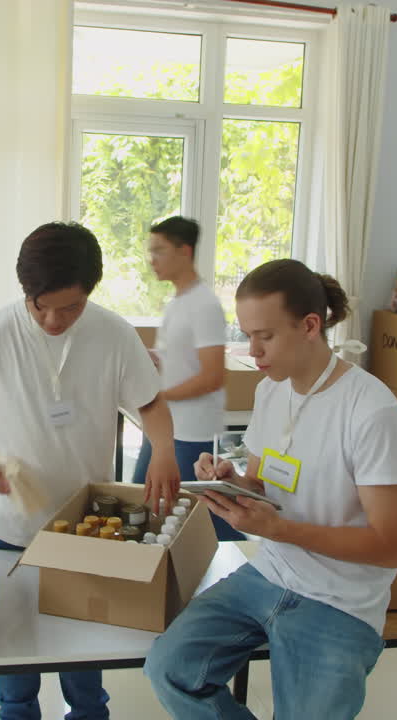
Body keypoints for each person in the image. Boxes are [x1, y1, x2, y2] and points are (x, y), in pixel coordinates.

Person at [144, 259, 397, 719]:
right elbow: (267, 486)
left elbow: (389, 546)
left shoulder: (371, 412)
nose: (252, 351)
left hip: (339, 601)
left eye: (264, 336)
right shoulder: (273, 391)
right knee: (169, 668)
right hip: (271, 573)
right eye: (247, 335)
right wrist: (235, 483)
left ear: (310, 326)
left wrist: (281, 529)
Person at [0, 221, 180, 720]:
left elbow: (150, 403)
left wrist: (164, 450)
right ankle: (18, 713)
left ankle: (89, 714)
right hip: (11, 523)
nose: (53, 319)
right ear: (26, 292)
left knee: (83, 637)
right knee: (15, 641)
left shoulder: (114, 334)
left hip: (86, 522)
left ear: (90, 291)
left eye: (69, 307)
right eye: (40, 305)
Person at [129, 216, 243, 541]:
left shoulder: (204, 305)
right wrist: (152, 358)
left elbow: (211, 375)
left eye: (159, 251)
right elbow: (183, 361)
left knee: (200, 518)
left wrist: (161, 397)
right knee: (146, 500)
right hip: (167, 425)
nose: (152, 260)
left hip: (192, 432)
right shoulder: (179, 302)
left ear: (184, 251)